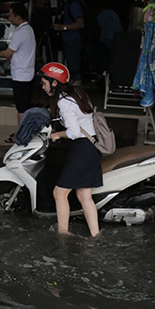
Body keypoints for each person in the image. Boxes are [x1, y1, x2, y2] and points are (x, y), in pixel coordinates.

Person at [40, 62, 101, 237]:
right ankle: (96, 236)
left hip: (82, 149)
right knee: (84, 196)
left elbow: (74, 132)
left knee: (59, 193)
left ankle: (63, 235)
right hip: (91, 147)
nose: (42, 87)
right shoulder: (75, 94)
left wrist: (58, 135)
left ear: (54, 83)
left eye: (44, 83)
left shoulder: (64, 102)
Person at [0, 3, 36, 134]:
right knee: (24, 105)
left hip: (21, 75)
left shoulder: (21, 32)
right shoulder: (29, 29)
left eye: (11, 15)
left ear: (18, 17)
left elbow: (7, 53)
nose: (9, 18)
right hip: (28, 73)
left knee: (21, 107)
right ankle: (24, 132)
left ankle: (22, 134)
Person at [53, 0, 84, 86]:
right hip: (68, 40)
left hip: (73, 39)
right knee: (71, 67)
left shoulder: (73, 4)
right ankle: (72, 90)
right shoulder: (66, 4)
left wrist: (63, 27)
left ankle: (77, 93)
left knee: (75, 69)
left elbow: (80, 23)